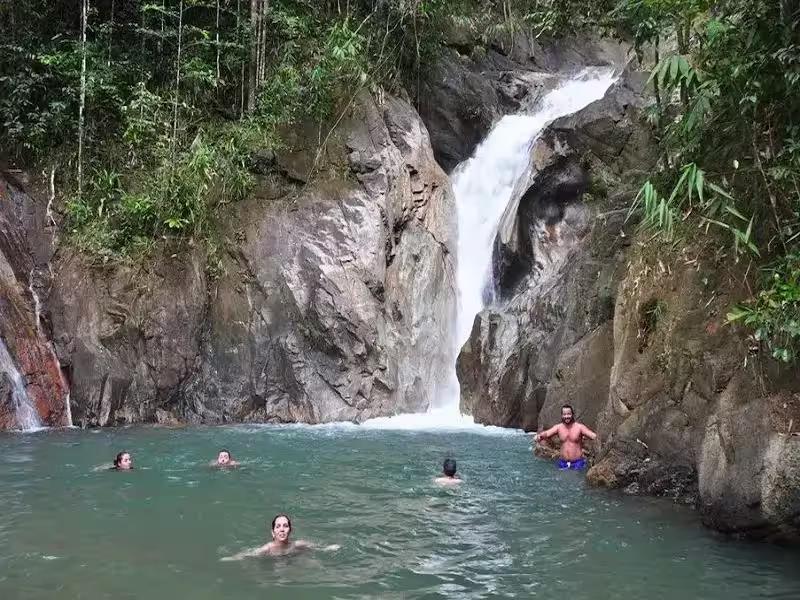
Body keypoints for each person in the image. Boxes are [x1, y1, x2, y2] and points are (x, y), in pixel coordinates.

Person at [221, 514, 339, 560]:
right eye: (278, 526)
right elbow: (249, 554)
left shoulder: (297, 544)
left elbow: (318, 547)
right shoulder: (268, 548)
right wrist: (231, 558)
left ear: (290, 530)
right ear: (273, 532)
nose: (282, 529)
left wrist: (329, 548)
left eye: (285, 526)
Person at [533, 405, 597, 470]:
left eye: (569, 414)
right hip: (562, 463)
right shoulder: (558, 427)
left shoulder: (580, 427)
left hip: (578, 463)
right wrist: (539, 436)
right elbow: (547, 433)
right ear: (562, 415)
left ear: (572, 414)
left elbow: (592, 435)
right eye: (564, 414)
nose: (566, 416)